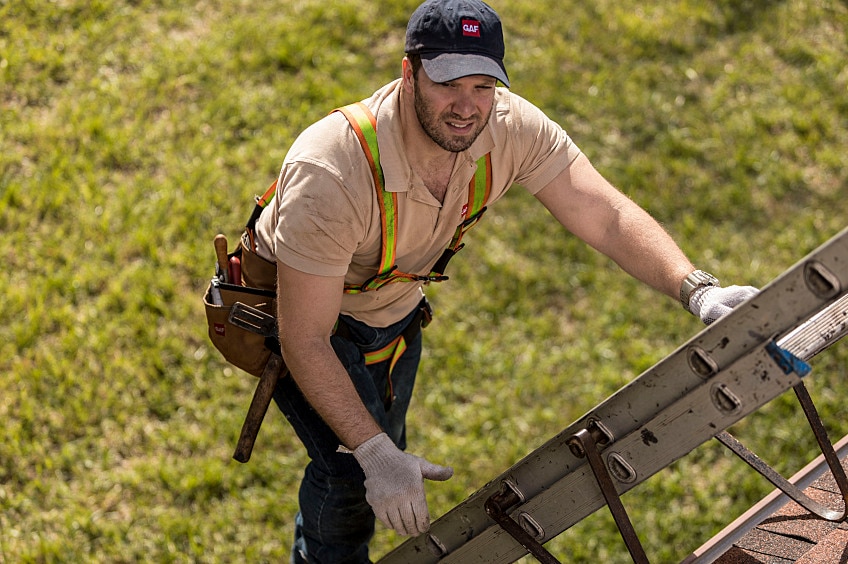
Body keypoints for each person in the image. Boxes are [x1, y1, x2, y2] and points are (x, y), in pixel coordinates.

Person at [248, 0, 758, 561]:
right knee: (350, 474)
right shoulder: (332, 170)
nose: (467, 108)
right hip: (304, 312)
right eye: (448, 84)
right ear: (408, 72)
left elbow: (605, 215)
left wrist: (699, 289)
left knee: (380, 453)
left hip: (394, 316)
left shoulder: (510, 127)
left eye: (483, 86)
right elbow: (305, 338)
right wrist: (371, 452)